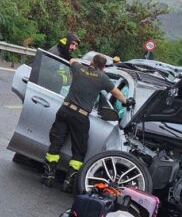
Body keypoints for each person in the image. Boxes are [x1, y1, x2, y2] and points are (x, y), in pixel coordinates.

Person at [41, 54, 135, 192]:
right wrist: (127, 102)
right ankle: (68, 183)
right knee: (79, 151)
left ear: (92, 62)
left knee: (56, 143)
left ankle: (48, 177)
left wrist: (84, 63)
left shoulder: (78, 68)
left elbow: (71, 59)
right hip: (80, 116)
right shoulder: (103, 78)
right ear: (103, 67)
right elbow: (117, 94)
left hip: (65, 110)